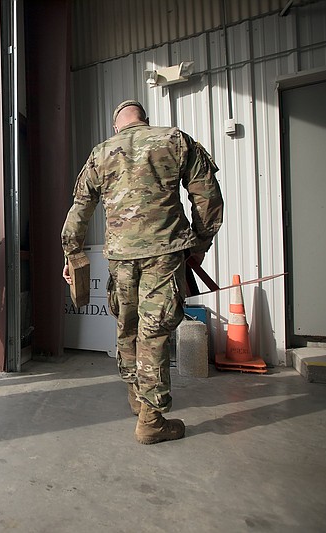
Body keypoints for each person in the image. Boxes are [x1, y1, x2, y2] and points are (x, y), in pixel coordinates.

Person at [61, 100, 223, 444]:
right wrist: (200, 243)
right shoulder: (175, 139)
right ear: (144, 121)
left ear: (117, 125)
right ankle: (152, 419)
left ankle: (137, 395)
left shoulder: (101, 153)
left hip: (120, 257)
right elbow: (206, 197)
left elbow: (80, 208)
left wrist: (72, 254)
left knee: (128, 325)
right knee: (155, 331)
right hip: (164, 253)